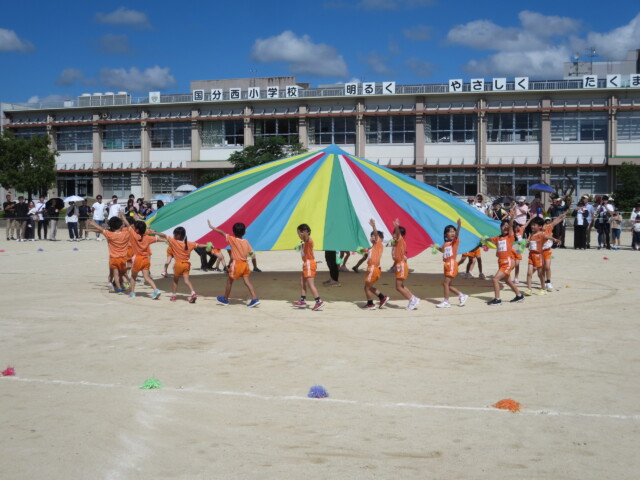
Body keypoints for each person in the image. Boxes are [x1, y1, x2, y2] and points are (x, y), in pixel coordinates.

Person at [208, 220, 260, 307]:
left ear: (233, 232)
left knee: (229, 281)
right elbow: (251, 253)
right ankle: (254, 298)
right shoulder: (246, 241)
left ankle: (225, 299)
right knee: (247, 282)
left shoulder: (232, 239)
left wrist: (212, 227)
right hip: (245, 265)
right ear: (244, 232)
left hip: (237, 265)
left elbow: (222, 233)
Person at [485, 212, 524, 306]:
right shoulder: (497, 238)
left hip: (508, 261)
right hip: (501, 261)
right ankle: (519, 295)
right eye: (503, 226)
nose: (506, 227)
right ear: (500, 228)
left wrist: (512, 218)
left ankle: (497, 299)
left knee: (495, 279)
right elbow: (490, 239)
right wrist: (484, 239)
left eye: (507, 226)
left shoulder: (510, 236)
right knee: (507, 280)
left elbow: (510, 226)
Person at [162, 226, 207, 303]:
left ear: (177, 235)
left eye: (174, 235)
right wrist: (207, 245)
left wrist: (155, 232)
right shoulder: (189, 243)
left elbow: (164, 236)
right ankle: (193, 293)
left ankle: (173, 296)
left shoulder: (174, 242)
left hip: (178, 264)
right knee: (187, 281)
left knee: (175, 281)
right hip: (186, 264)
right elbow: (198, 245)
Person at [89, 216, 131, 294]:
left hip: (114, 258)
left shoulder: (109, 234)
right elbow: (129, 227)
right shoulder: (126, 234)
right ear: (121, 225)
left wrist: (93, 224)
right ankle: (127, 286)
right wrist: (123, 218)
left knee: (115, 274)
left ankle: (118, 289)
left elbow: (102, 230)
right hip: (123, 258)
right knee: (122, 274)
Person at [124, 217, 162, 299]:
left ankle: (132, 293)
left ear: (137, 230)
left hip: (137, 259)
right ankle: (156, 289)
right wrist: (168, 240)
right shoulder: (148, 238)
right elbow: (158, 239)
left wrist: (122, 216)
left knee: (133, 277)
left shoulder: (134, 236)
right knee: (147, 277)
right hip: (146, 259)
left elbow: (127, 224)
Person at [436, 218, 468, 308]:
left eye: (453, 231)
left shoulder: (455, 242)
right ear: (446, 234)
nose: (452, 233)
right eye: (450, 231)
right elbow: (442, 250)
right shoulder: (446, 243)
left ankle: (446, 301)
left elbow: (457, 235)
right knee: (447, 284)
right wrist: (435, 247)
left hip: (452, 264)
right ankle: (461, 295)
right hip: (446, 264)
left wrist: (459, 226)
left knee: (446, 283)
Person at [292, 223, 324, 311]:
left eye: (300, 233)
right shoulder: (304, 242)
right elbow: (304, 247)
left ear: (305, 232)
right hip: (306, 264)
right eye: (298, 233)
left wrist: (305, 234)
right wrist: (299, 247)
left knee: (310, 284)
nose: (299, 235)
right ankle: (302, 300)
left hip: (310, 264)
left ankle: (318, 301)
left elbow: (306, 238)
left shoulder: (308, 240)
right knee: (302, 281)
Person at [524, 217, 558, 296]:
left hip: (538, 256)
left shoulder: (541, 234)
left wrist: (554, 239)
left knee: (540, 274)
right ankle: (529, 289)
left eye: (534, 225)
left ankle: (543, 288)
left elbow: (547, 236)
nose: (532, 226)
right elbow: (529, 243)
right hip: (531, 256)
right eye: (532, 225)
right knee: (529, 273)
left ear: (540, 226)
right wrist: (526, 243)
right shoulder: (531, 234)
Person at [390, 219, 419, 310]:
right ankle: (413, 298)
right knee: (400, 285)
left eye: (397, 233)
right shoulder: (396, 243)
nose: (395, 235)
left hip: (401, 265)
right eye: (394, 233)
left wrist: (397, 227)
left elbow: (399, 235)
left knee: (398, 287)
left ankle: (412, 299)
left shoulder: (400, 240)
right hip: (399, 265)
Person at [362, 219, 389, 310]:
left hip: (373, 268)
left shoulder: (378, 244)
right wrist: (362, 250)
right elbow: (366, 250)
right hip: (372, 268)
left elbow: (377, 236)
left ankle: (370, 304)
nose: (372, 237)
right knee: (369, 287)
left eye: (373, 236)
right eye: (371, 236)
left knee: (366, 287)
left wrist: (374, 226)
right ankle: (382, 297)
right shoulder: (373, 247)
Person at [542, 214, 567, 292]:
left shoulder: (550, 226)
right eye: (546, 221)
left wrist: (562, 216)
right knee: (542, 268)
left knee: (547, 267)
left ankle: (548, 281)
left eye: (549, 221)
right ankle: (543, 281)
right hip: (540, 250)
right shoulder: (541, 229)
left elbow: (556, 221)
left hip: (547, 249)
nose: (548, 222)